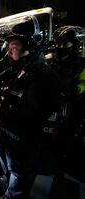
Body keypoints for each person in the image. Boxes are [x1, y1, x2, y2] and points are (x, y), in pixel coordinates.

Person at [0, 16, 61, 199]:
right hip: (7, 133)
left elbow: (31, 116)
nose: (9, 51)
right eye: (9, 47)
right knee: (11, 170)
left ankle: (13, 194)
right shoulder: (21, 68)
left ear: (30, 46)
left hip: (21, 140)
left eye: (14, 46)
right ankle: (9, 181)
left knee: (19, 174)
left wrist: (1, 111)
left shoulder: (43, 76)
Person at [51, 26, 85, 179]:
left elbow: (82, 85)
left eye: (65, 44)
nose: (60, 47)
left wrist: (76, 89)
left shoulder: (81, 64)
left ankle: (63, 164)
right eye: (58, 43)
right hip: (50, 105)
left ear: (74, 45)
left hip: (70, 106)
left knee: (66, 137)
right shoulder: (50, 61)